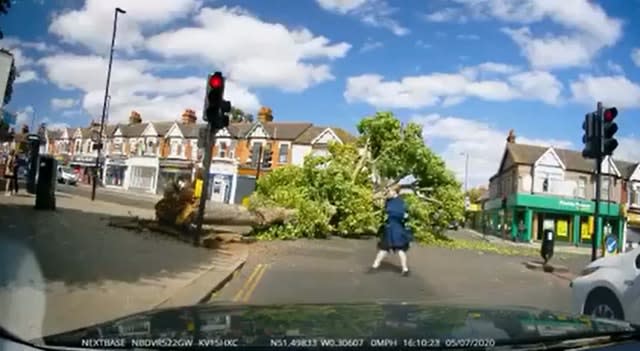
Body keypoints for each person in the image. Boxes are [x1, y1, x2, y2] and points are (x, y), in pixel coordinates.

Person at [370, 184, 413, 276]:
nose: (388, 193)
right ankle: (375, 266)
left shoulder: (400, 203)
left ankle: (405, 269)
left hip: (396, 229)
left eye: (389, 191)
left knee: (399, 249)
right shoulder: (389, 201)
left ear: (395, 192)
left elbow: (401, 215)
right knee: (384, 248)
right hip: (390, 228)